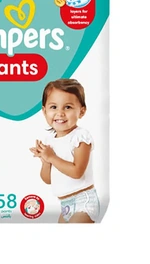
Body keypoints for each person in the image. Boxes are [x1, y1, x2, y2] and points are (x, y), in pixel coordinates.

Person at [30, 78, 100, 223]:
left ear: (81, 111)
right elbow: (48, 180)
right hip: (64, 204)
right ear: (44, 111)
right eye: (53, 107)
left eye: (67, 107)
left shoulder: (80, 137)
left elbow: (77, 172)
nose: (60, 113)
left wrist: (52, 157)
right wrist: (45, 161)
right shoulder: (50, 140)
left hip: (83, 201)